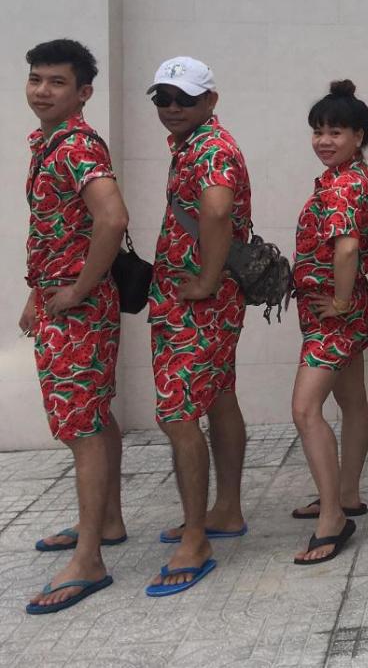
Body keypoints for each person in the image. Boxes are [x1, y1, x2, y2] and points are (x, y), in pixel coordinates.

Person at [21, 39, 130, 614]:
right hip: (60, 302)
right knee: (94, 416)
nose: (43, 90)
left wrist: (78, 290)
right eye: (36, 79)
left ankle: (89, 561)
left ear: (83, 92)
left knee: (80, 427)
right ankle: (106, 521)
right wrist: (35, 295)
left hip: (78, 311)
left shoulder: (76, 146)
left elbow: (112, 218)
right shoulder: (48, 142)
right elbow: (57, 227)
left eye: (57, 81)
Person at [146, 56, 252, 596]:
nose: (172, 107)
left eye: (184, 99)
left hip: (197, 306)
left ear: (210, 100)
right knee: (218, 398)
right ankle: (226, 509)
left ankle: (195, 538)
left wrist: (206, 281)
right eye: (163, 98)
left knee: (177, 415)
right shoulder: (192, 145)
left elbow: (215, 210)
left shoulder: (211, 149)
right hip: (200, 301)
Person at [289, 81, 368, 562]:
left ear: (359, 136)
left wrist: (341, 300)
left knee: (304, 409)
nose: (324, 140)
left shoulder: (343, 184)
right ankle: (347, 493)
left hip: (334, 316)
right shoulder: (360, 176)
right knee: (351, 401)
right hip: (340, 312)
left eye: (336, 132)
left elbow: (347, 247)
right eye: (318, 131)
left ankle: (333, 517)